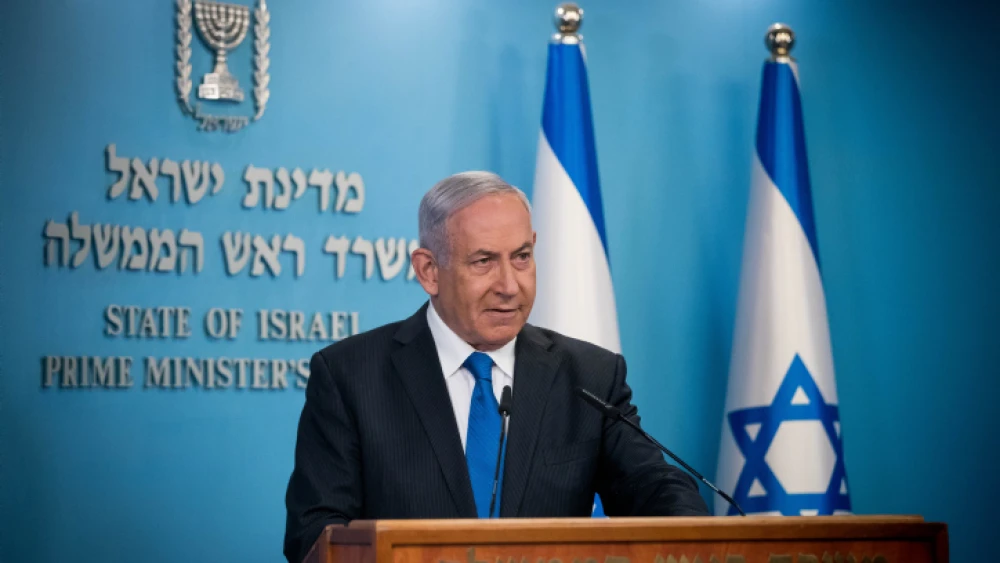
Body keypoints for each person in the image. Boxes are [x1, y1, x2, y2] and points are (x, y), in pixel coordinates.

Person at [284, 171, 708, 563]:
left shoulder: (590, 376)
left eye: (521, 257)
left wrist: (700, 533)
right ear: (429, 271)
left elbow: (651, 487)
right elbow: (314, 531)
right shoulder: (350, 377)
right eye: (483, 261)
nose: (509, 285)